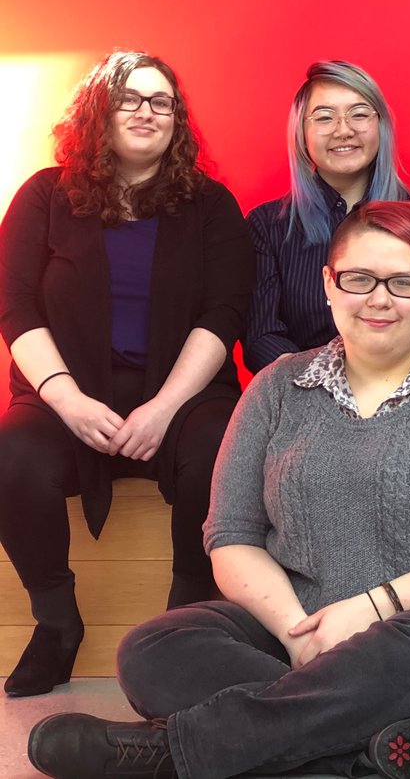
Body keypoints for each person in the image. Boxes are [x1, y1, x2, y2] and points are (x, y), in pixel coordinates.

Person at [27, 201, 410, 779]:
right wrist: (296, 637)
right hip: (302, 632)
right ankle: (377, 746)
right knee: (153, 645)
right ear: (329, 285)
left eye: (404, 282)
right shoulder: (278, 387)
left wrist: (373, 609)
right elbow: (231, 536)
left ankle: (174, 753)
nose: (379, 298)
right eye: (359, 278)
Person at [0, 51, 254, 698]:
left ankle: (182, 628)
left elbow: (224, 314)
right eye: (129, 98)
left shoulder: (211, 205)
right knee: (13, 455)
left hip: (182, 393)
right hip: (65, 391)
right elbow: (15, 304)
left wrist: (165, 407)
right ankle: (56, 623)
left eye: (160, 101)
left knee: (222, 446)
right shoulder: (43, 195)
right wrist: (68, 401)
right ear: (97, 113)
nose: (146, 111)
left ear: (177, 121)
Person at [245, 60, 410, 373]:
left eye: (359, 114)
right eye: (325, 117)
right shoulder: (267, 225)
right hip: (303, 394)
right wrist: (323, 382)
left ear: (380, 125)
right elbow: (262, 335)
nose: (344, 130)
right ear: (302, 133)